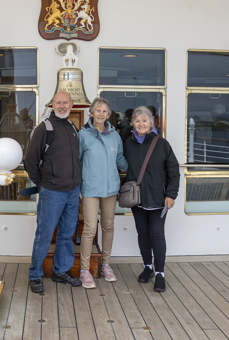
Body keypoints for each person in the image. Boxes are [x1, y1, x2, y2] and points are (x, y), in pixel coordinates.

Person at [24, 91, 82, 294]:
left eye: (66, 102)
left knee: (67, 234)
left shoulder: (72, 127)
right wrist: (42, 183)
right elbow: (30, 160)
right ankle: (35, 275)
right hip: (52, 192)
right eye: (59, 102)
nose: (62, 106)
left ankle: (61, 271)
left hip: (72, 191)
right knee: (45, 234)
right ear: (52, 105)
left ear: (72, 104)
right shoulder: (44, 128)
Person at [124, 106, 179, 292]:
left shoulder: (162, 144)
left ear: (151, 123)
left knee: (157, 234)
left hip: (158, 199)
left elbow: (173, 171)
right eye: (137, 120)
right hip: (137, 199)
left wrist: (171, 194)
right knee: (142, 233)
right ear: (133, 123)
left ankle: (160, 273)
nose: (141, 124)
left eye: (144, 120)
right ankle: (147, 266)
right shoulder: (128, 144)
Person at [78, 98, 128, 288]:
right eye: (97, 110)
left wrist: (138, 170)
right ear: (91, 113)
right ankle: (84, 270)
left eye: (104, 111)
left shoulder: (115, 135)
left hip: (110, 189)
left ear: (108, 115)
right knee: (90, 227)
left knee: (108, 226)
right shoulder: (83, 135)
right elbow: (78, 161)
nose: (101, 114)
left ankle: (105, 264)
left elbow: (120, 159)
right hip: (90, 189)